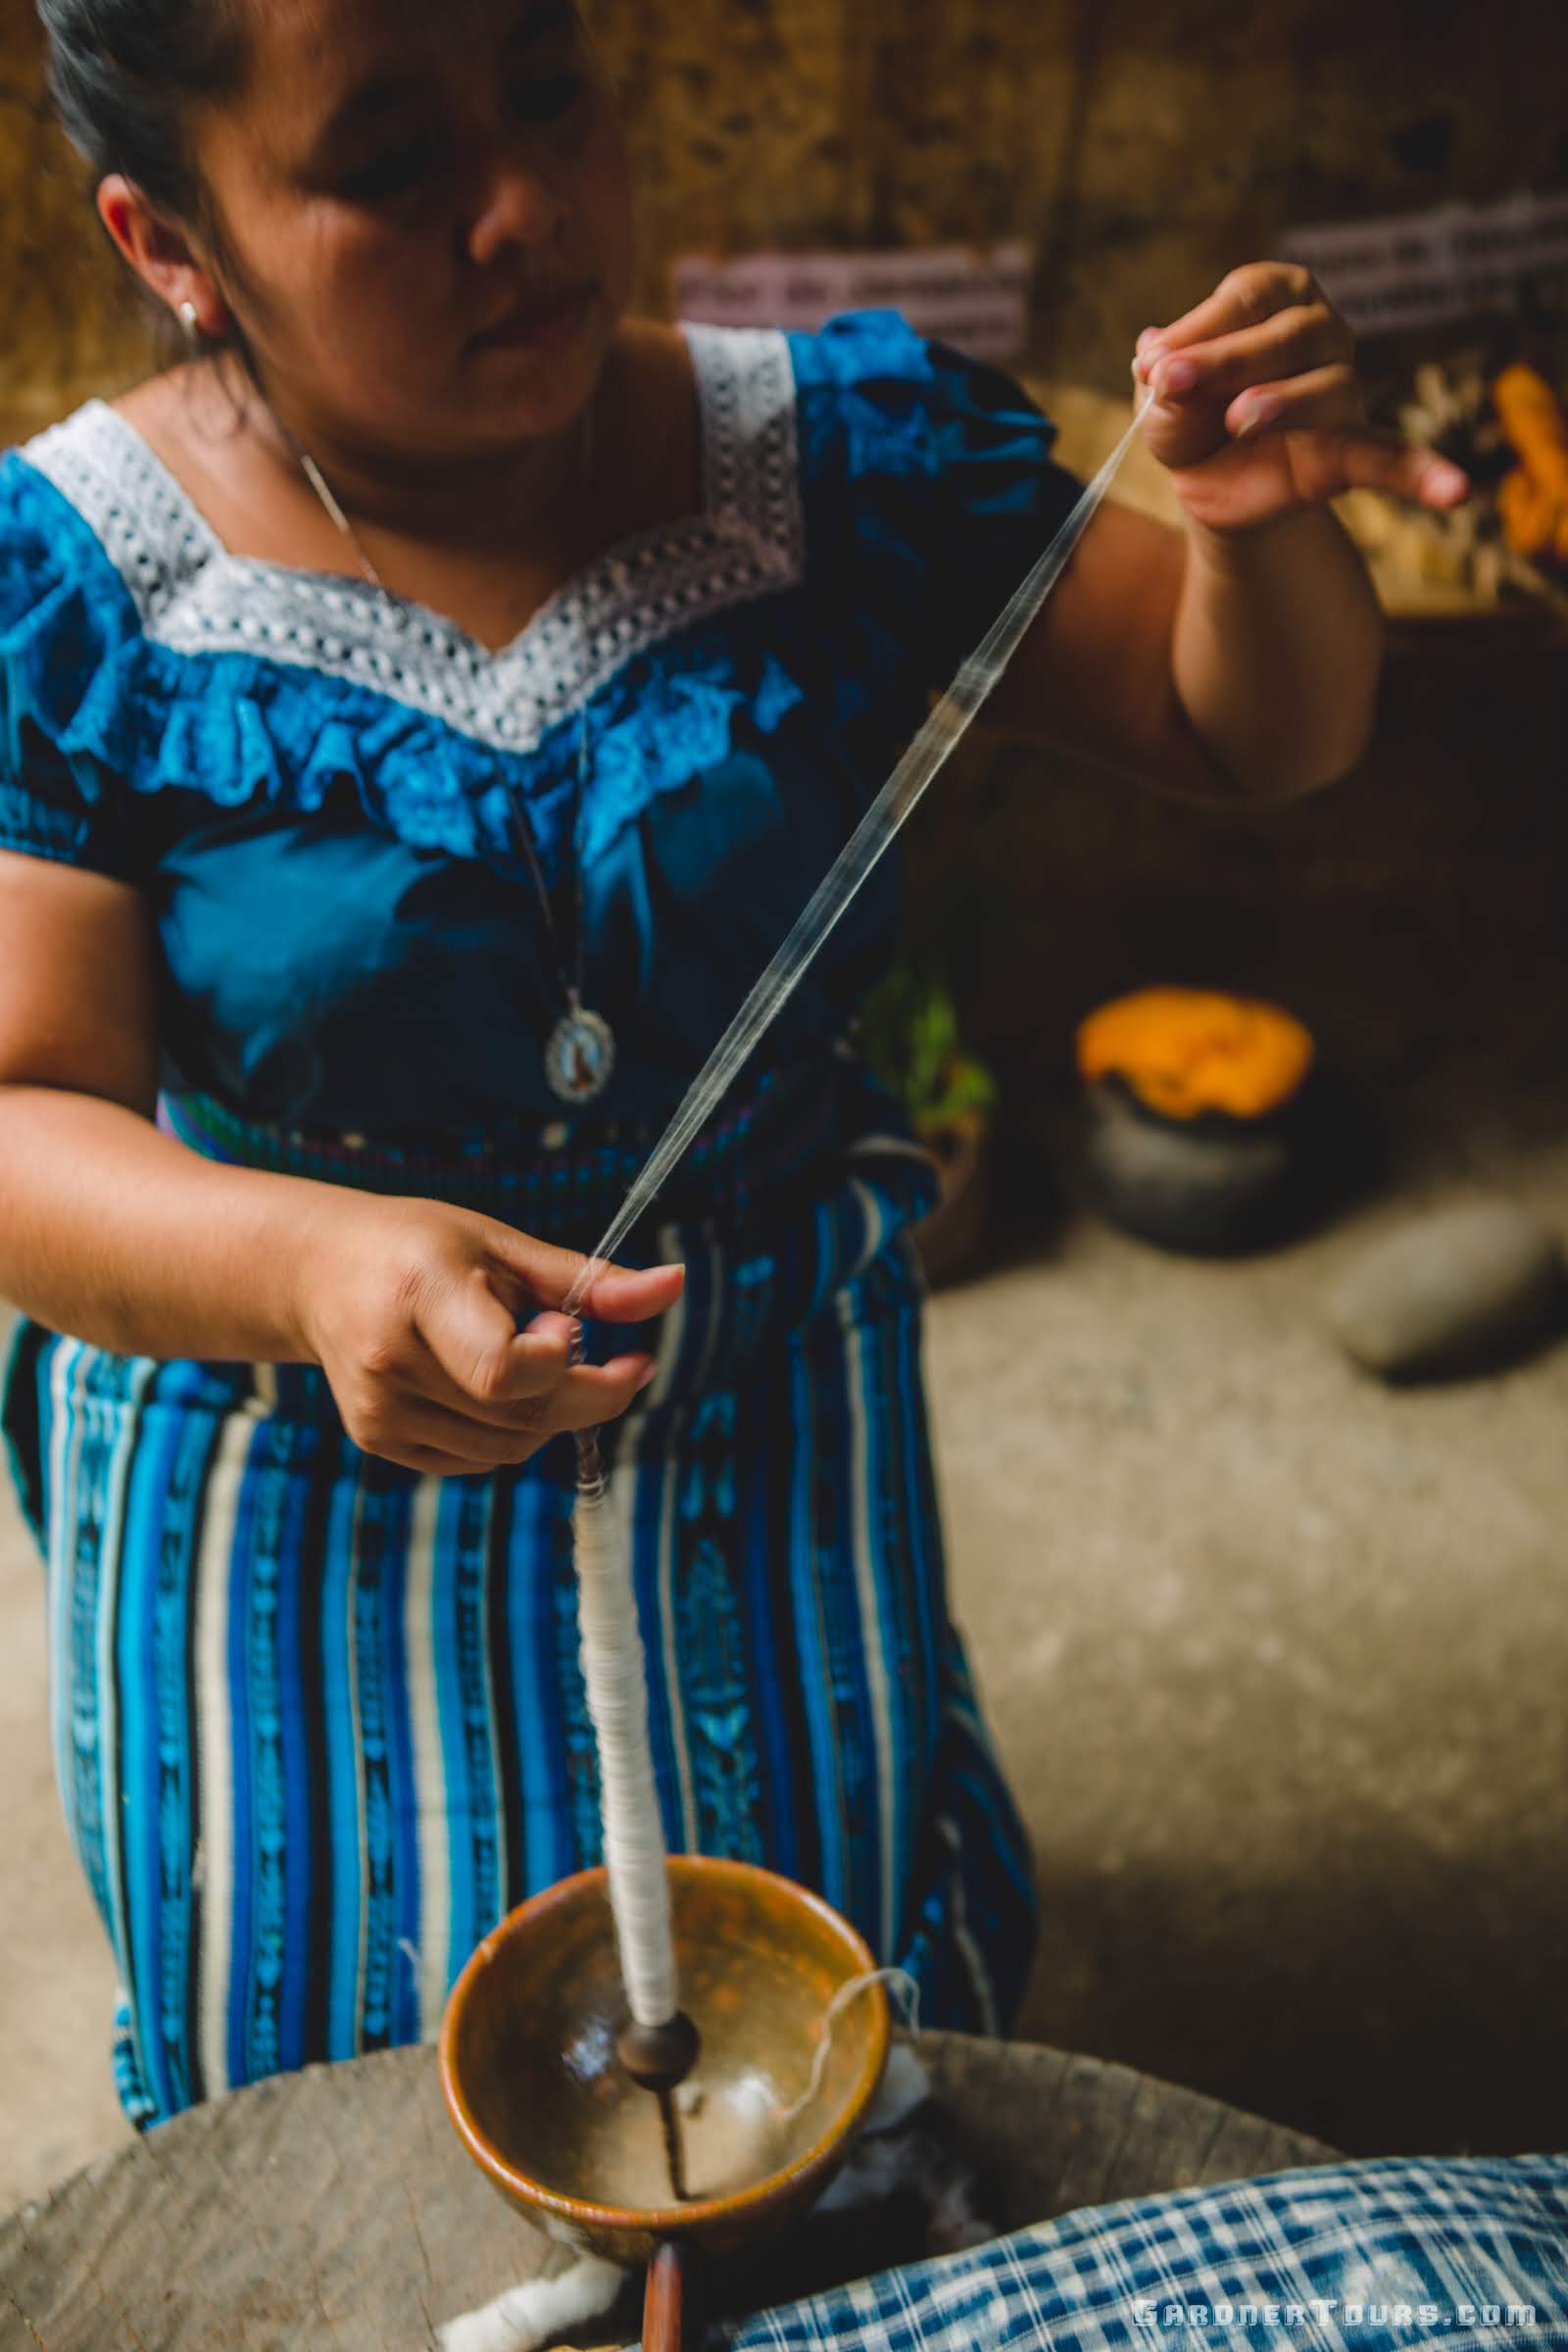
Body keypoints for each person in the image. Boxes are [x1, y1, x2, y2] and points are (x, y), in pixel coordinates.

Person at [0, 0, 1465, 2130]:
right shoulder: (83, 591)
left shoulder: (822, 468)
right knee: (338, 2125)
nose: (523, 207)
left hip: (761, 1420)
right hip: (296, 1461)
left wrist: (1247, 534)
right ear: (172, 238)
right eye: (391, 161)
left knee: (797, 2072)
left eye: (546, 86)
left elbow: (1240, 721)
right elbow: (25, 1127)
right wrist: (317, 1272)